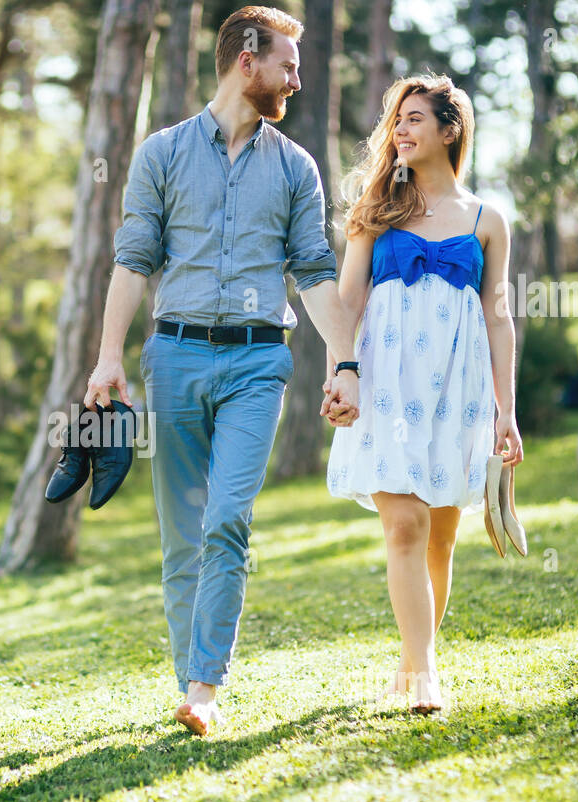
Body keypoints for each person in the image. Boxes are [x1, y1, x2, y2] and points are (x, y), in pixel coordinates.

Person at [85, 5, 359, 736]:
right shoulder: (162, 154)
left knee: (228, 521)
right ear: (247, 59)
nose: (296, 80)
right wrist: (109, 356)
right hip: (172, 356)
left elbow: (313, 270)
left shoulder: (295, 166)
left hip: (257, 360)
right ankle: (191, 684)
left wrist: (345, 360)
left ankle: (205, 689)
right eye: (287, 66)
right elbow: (132, 260)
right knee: (183, 536)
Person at [325, 74, 524, 713]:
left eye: (415, 118)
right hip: (385, 382)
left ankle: (412, 660)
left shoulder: (487, 219)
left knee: (440, 537)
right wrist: (342, 372)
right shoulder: (375, 211)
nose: (401, 130)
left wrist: (506, 412)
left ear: (449, 129)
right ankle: (425, 678)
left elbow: (498, 317)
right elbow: (347, 303)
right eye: (397, 121)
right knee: (405, 527)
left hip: (457, 393)